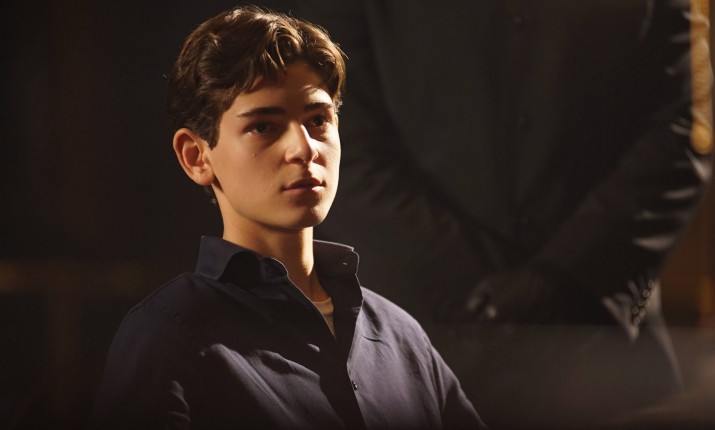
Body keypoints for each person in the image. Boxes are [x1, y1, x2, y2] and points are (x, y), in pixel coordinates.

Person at [296, 0, 713, 428]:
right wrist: (471, 288)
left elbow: (682, 129)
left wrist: (563, 279)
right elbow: (332, 130)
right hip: (407, 353)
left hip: (602, 347)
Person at [88, 6, 485, 429]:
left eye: (318, 120)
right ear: (196, 156)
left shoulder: (398, 334)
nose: (305, 148)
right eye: (264, 126)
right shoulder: (170, 336)